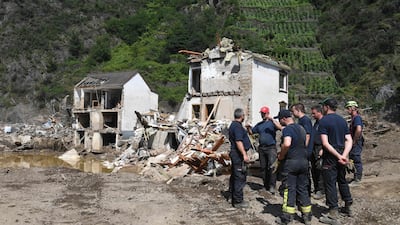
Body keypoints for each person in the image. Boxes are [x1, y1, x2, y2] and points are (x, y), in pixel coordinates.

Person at [318, 98, 353, 224]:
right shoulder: (342, 120)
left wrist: (338, 156)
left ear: (326, 107)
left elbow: (325, 143)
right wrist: (344, 155)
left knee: (330, 183)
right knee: (342, 180)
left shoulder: (324, 121)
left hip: (331, 155)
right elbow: (349, 140)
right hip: (341, 153)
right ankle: (348, 205)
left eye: (323, 107)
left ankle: (333, 214)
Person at [274, 109, 312, 225]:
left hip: (292, 163)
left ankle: (287, 217)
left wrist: (281, 156)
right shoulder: (301, 128)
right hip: (304, 162)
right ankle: (307, 217)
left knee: (289, 189)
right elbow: (305, 142)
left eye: (280, 120)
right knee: (303, 188)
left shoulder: (288, 129)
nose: (280, 123)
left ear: (284, 119)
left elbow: (287, 144)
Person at [246, 106, 282, 194]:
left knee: (272, 166)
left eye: (264, 113)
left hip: (271, 148)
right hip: (262, 148)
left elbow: (280, 127)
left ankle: (272, 186)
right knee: (263, 167)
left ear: (268, 113)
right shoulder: (259, 124)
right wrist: (248, 128)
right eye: (262, 113)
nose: (263, 115)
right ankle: (266, 185)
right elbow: (252, 133)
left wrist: (272, 119)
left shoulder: (272, 123)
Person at [228, 108, 252, 208]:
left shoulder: (234, 125)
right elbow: (238, 141)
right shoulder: (237, 127)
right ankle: (238, 201)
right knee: (239, 177)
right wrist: (244, 155)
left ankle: (232, 196)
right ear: (242, 116)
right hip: (238, 155)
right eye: (244, 115)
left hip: (235, 154)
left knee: (235, 175)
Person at [291, 103, 313, 196]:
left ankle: (306, 191)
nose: (292, 113)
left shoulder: (305, 120)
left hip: (305, 150)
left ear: (298, 110)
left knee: (305, 171)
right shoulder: (300, 120)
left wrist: (303, 147)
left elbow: (307, 134)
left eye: (293, 111)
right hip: (302, 150)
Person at [345, 100, 364, 186]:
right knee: (352, 157)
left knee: (356, 158)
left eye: (348, 108)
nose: (347, 110)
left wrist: (354, 140)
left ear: (353, 108)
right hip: (355, 140)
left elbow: (359, 129)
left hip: (356, 140)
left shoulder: (357, 118)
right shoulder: (354, 118)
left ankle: (357, 179)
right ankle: (355, 176)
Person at [310, 105, 324, 199]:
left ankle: (321, 190)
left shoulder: (324, 123)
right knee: (314, 169)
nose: (312, 115)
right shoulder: (316, 123)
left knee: (320, 169)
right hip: (314, 148)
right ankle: (316, 188)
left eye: (314, 113)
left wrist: (323, 149)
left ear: (319, 112)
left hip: (320, 148)